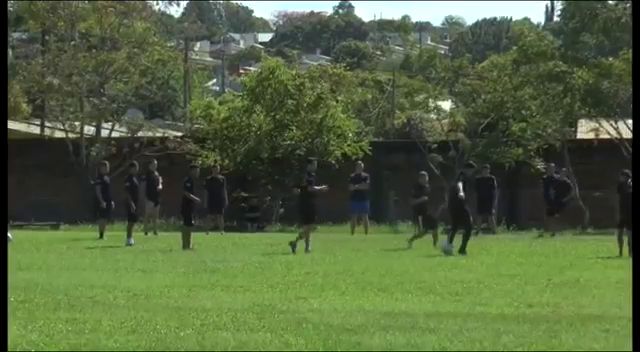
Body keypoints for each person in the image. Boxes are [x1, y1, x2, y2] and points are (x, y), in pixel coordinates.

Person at [288, 158, 329, 254]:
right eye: (314, 164)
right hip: (307, 202)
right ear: (309, 165)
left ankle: (306, 247)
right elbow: (310, 188)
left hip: (305, 201)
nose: (316, 166)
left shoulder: (302, 176)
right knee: (312, 226)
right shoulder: (309, 176)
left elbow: (295, 189)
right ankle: (298, 243)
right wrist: (321, 188)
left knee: (308, 226)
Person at [443, 161, 477, 256]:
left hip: (453, 205)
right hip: (459, 205)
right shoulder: (461, 176)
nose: (472, 173)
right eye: (471, 170)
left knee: (455, 226)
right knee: (469, 226)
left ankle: (448, 245)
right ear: (467, 169)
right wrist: (461, 192)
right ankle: (462, 249)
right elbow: (459, 184)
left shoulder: (458, 176)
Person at [407, 171, 438, 249]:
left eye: (426, 178)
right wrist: (421, 199)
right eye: (423, 178)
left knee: (435, 227)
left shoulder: (428, 187)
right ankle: (411, 240)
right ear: (419, 179)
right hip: (419, 213)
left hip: (427, 212)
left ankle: (435, 246)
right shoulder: (416, 188)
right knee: (422, 232)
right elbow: (411, 202)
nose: (425, 180)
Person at [543, 167, 574, 237]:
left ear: (566, 174)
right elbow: (551, 189)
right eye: (562, 172)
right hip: (554, 201)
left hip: (562, 202)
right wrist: (551, 196)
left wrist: (565, 199)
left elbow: (572, 193)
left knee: (553, 216)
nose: (562, 174)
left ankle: (553, 232)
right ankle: (550, 231)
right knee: (548, 215)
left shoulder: (567, 182)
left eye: (564, 173)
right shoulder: (556, 181)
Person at [181, 164, 201, 250]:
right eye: (196, 170)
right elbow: (185, 193)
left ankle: (187, 244)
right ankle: (186, 245)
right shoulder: (188, 180)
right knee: (187, 225)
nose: (198, 172)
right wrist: (195, 199)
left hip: (190, 206)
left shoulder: (192, 181)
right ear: (192, 171)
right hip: (186, 205)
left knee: (189, 225)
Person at [474, 165, 498, 235]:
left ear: (489, 170)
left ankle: (494, 231)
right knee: (479, 215)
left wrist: (495, 199)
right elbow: (475, 191)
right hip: (480, 199)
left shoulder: (491, 178)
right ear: (482, 171)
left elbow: (495, 190)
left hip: (489, 199)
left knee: (490, 215)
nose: (485, 171)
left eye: (487, 170)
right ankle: (477, 231)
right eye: (484, 170)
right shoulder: (478, 179)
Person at [204, 165, 228, 235]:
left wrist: (226, 199)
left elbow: (224, 190)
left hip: (220, 199)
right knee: (209, 215)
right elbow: (206, 191)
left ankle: (221, 230)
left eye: (217, 169)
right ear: (212, 170)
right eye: (214, 169)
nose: (216, 170)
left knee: (220, 215)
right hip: (211, 199)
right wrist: (205, 201)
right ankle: (207, 230)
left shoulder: (222, 179)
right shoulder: (208, 179)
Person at [349, 161, 370, 236]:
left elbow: (366, 186)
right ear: (356, 167)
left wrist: (356, 186)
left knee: (365, 216)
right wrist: (360, 186)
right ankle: (352, 233)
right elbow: (350, 188)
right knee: (353, 217)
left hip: (364, 199)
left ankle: (366, 233)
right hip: (354, 199)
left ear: (363, 167)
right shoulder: (352, 176)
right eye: (358, 166)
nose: (360, 168)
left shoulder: (366, 176)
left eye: (361, 166)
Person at [94, 160, 114, 240]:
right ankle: (101, 235)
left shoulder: (107, 178)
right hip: (103, 200)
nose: (107, 169)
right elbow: (97, 190)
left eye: (108, 167)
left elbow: (108, 191)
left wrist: (111, 201)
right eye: (105, 167)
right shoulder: (99, 178)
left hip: (108, 200)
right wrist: (101, 201)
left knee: (106, 218)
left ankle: (103, 233)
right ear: (101, 168)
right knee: (102, 217)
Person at [142, 159, 162, 236]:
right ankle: (145, 230)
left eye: (156, 164)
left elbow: (160, 183)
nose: (155, 166)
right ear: (149, 165)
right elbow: (144, 184)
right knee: (147, 214)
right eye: (153, 164)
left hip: (157, 196)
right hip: (149, 197)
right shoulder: (147, 174)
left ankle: (155, 230)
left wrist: (160, 186)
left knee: (155, 215)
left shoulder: (157, 174)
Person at [123, 161, 140, 247]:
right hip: (130, 202)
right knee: (130, 221)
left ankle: (131, 237)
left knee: (133, 220)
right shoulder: (128, 178)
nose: (137, 169)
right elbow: (127, 192)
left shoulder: (134, 178)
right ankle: (128, 238)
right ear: (131, 168)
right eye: (135, 167)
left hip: (135, 201)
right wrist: (131, 203)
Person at [616, 169, 632, 257]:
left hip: (630, 213)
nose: (620, 178)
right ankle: (620, 252)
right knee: (620, 233)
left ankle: (630, 251)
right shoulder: (620, 186)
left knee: (630, 234)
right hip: (622, 212)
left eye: (622, 176)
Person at [540, 163, 559, 237]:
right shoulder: (544, 178)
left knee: (552, 217)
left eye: (552, 168)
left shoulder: (556, 178)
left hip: (553, 200)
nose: (551, 170)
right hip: (546, 199)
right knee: (545, 216)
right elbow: (542, 188)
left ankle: (553, 232)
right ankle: (543, 232)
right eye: (549, 168)